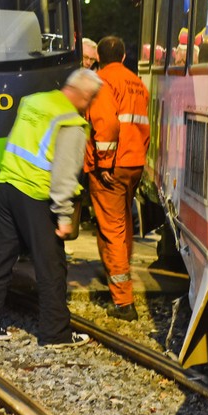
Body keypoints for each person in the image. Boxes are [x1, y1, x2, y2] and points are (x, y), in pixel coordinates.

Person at [0, 68, 103, 346]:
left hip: (8, 186)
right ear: (84, 95)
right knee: (51, 266)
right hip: (35, 196)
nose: (90, 104)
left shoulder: (34, 102)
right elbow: (64, 175)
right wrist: (64, 215)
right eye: (91, 99)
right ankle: (55, 333)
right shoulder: (71, 123)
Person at [85, 36, 150, 321]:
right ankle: (117, 275)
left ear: (99, 58)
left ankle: (123, 302)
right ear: (123, 57)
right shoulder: (137, 83)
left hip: (111, 166)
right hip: (134, 163)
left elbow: (106, 123)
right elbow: (143, 127)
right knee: (123, 225)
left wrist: (104, 162)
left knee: (111, 229)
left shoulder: (101, 82)